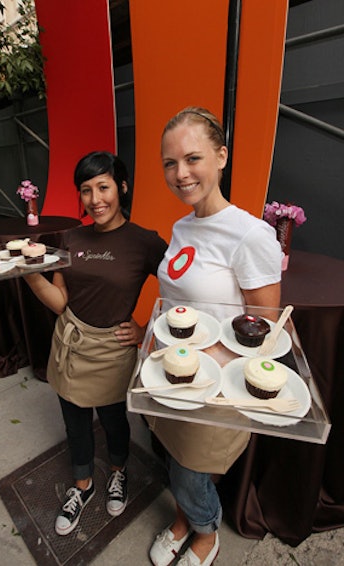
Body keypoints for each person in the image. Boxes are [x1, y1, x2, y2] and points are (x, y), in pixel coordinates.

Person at [148, 107, 282, 566]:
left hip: (216, 388)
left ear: (221, 156)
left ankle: (206, 532)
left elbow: (262, 329)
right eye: (170, 163)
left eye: (192, 159)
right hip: (176, 374)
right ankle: (184, 519)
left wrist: (217, 374)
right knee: (172, 455)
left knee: (190, 473)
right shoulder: (183, 226)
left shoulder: (250, 235)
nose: (180, 173)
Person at [24, 151, 167, 536]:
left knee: (114, 420)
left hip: (111, 351)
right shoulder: (71, 237)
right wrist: (28, 273)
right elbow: (60, 302)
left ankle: (118, 473)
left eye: (103, 187)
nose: (95, 199)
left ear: (121, 187)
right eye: (85, 190)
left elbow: (179, 290)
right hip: (70, 344)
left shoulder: (145, 243)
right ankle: (83, 484)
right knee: (74, 422)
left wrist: (146, 330)